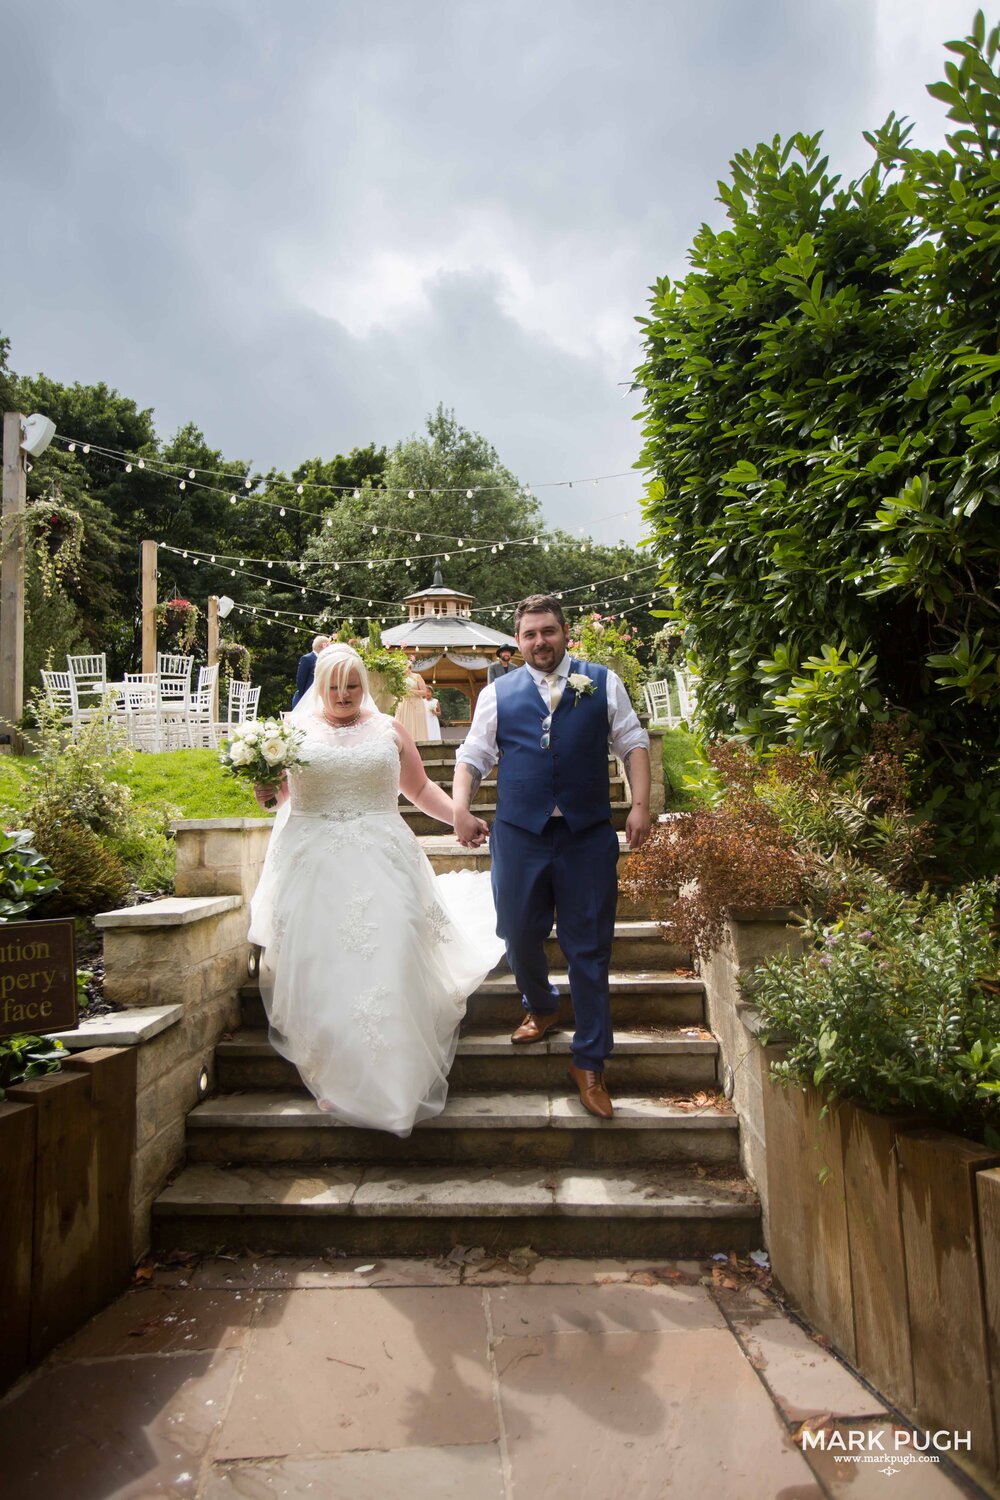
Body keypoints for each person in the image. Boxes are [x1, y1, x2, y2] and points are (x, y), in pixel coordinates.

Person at [248, 644, 503, 1135]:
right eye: (334, 685)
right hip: (314, 864)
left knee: (395, 947)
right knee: (324, 967)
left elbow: (420, 790)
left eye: (353, 684)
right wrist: (263, 789)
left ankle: (395, 1074)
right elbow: (277, 797)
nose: (344, 694)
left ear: (365, 684)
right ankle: (336, 1075)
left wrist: (459, 816)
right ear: (320, 687)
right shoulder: (291, 735)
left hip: (383, 857)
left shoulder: (389, 729)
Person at [452, 594, 651, 1121]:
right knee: (516, 932)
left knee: (590, 948)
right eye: (529, 634)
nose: (539, 641)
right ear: (517, 642)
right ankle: (540, 1004)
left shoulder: (601, 681)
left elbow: (632, 741)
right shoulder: (498, 693)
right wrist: (459, 809)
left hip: (587, 834)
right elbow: (474, 754)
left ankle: (589, 1061)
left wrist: (640, 806)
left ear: (565, 633)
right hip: (519, 834)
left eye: (548, 631)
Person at [393, 659, 430, 740]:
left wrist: (412, 691)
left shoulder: (417, 676)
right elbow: (396, 692)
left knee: (416, 723)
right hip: (403, 703)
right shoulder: (400, 678)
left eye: (404, 667)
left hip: (416, 703)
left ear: (409, 667)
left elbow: (424, 692)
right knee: (403, 722)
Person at [291, 634, 331, 707]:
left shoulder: (327, 659)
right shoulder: (307, 659)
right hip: (309, 695)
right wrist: (304, 696)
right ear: (322, 646)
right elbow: (301, 680)